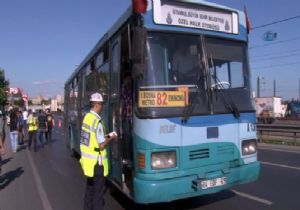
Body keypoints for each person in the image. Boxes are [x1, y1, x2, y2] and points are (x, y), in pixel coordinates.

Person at [80, 92, 117, 210]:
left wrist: (104, 137)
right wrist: (110, 137)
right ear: (96, 105)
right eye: (101, 104)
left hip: (88, 163)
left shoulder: (87, 118)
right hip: (97, 163)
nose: (102, 107)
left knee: (89, 190)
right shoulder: (97, 122)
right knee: (98, 195)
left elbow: (91, 138)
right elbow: (101, 145)